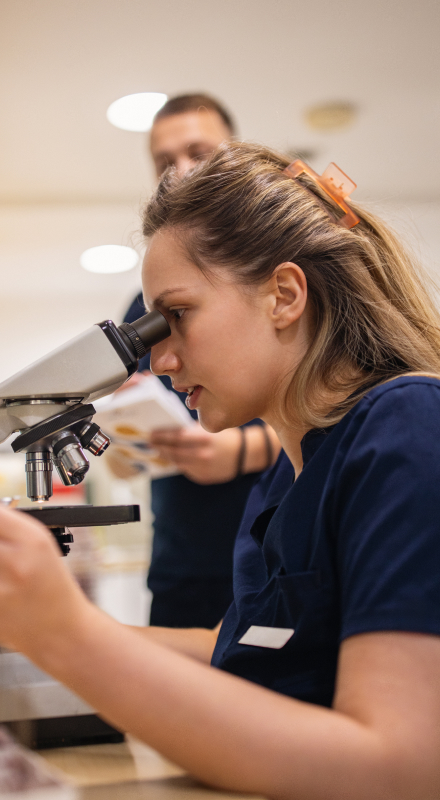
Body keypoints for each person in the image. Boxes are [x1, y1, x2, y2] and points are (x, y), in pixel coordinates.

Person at [1, 141, 440, 799]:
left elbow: (400, 767)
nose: (160, 361)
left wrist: (65, 634)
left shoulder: (408, 425)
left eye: (175, 318)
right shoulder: (286, 473)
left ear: (283, 295)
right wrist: (28, 624)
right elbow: (240, 650)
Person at [110, 93, 280, 628]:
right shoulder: (141, 308)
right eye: (164, 162)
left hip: (270, 557)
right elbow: (123, 457)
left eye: (198, 153)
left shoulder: (279, 269)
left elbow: (333, 404)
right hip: (181, 568)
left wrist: (242, 451)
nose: (179, 173)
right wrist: (125, 444)